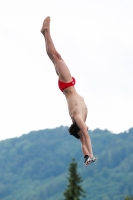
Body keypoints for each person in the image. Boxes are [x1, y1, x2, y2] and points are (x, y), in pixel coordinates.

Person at [40, 16, 96, 166]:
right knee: (55, 57)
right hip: (69, 85)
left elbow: (84, 135)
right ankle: (45, 32)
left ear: (78, 126)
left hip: (67, 85)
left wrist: (91, 155)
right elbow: (83, 140)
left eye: (82, 130)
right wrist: (86, 157)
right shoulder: (81, 120)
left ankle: (46, 32)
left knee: (56, 56)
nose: (86, 129)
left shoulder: (77, 116)